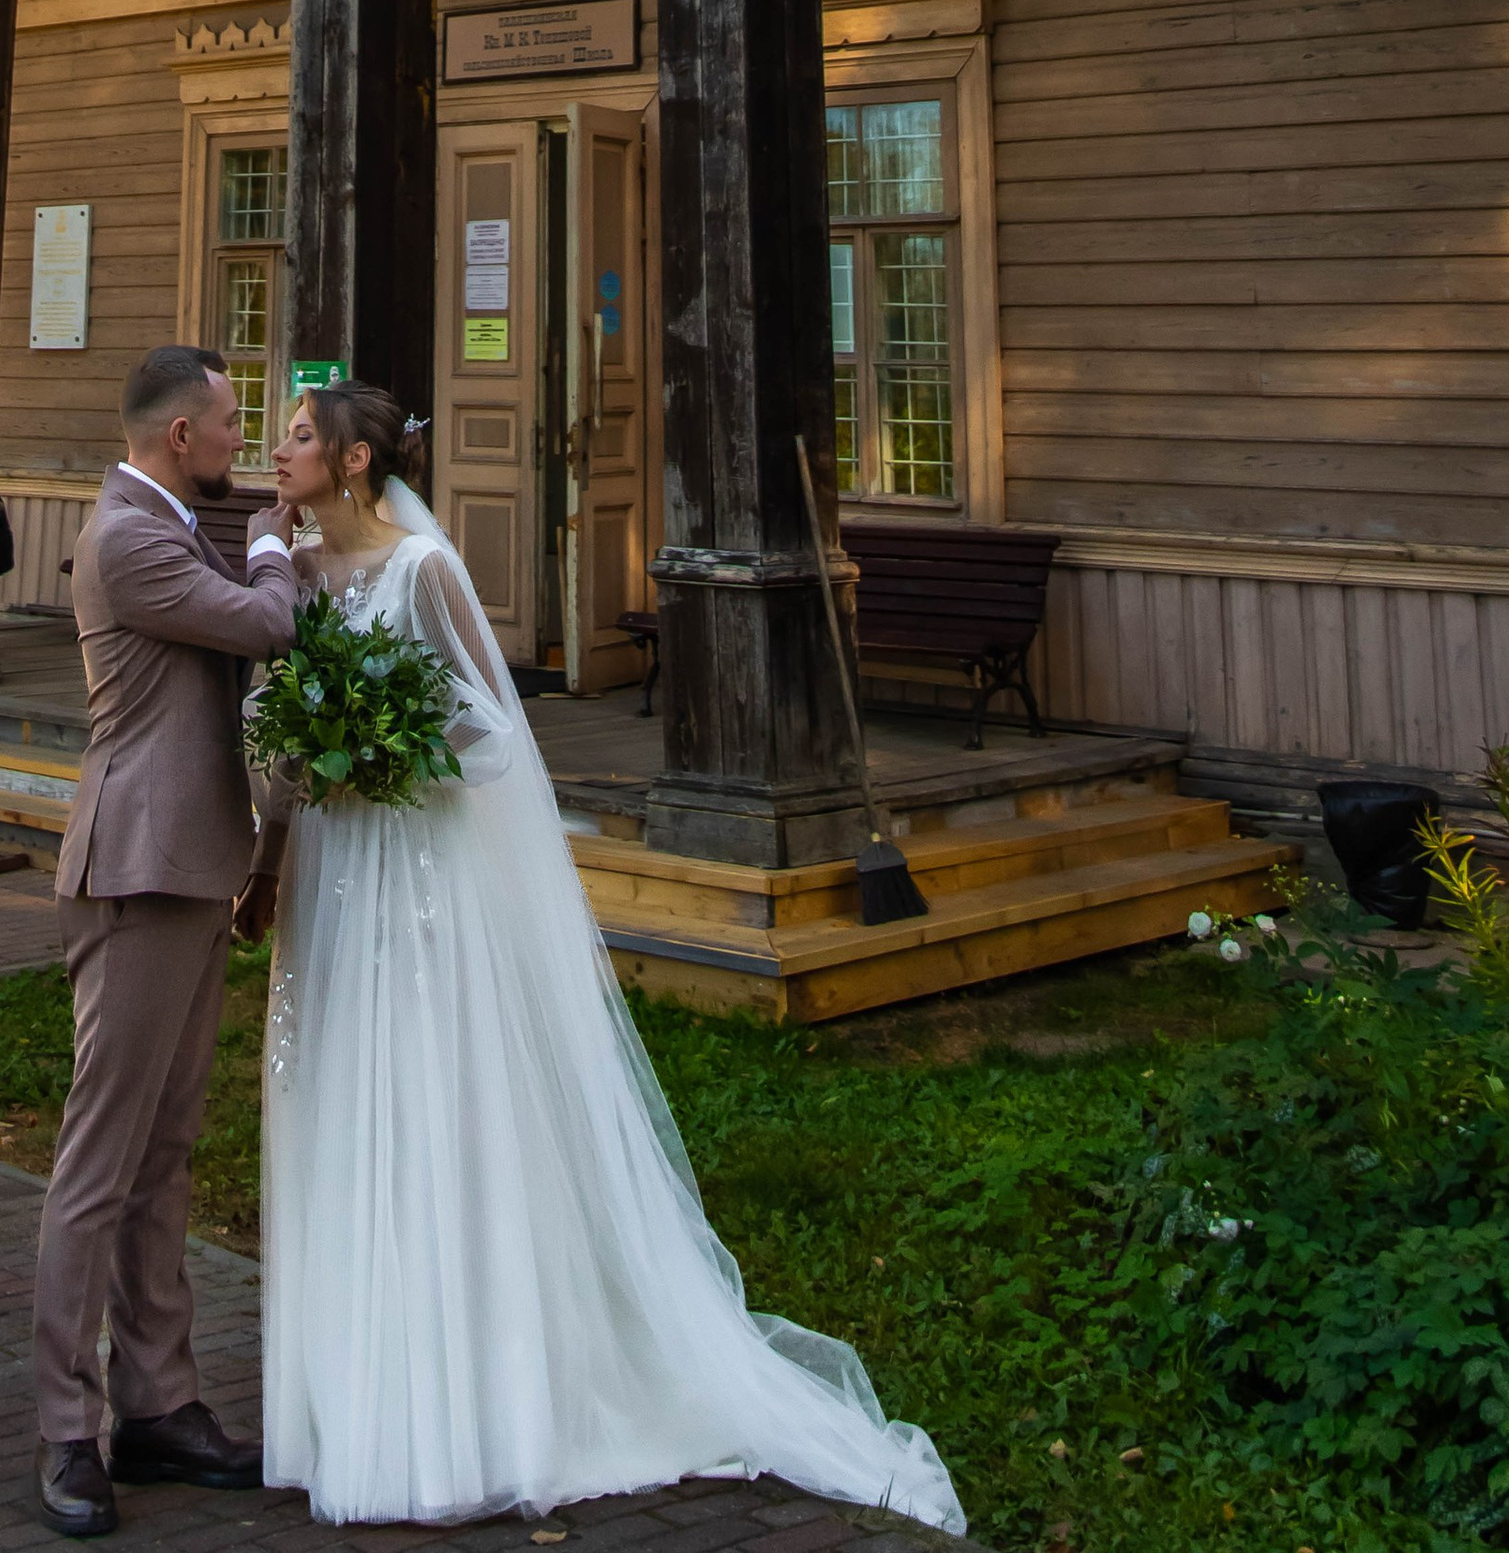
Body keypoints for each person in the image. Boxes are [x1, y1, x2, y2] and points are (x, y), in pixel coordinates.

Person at [241, 378, 967, 1536]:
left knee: (428, 1100)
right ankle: (355, 1389)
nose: (274, 452)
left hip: (414, 873)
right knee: (338, 1095)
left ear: (357, 463)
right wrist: (276, 842)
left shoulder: (423, 573)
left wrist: (375, 753)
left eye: (295, 437)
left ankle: (470, 1399)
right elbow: (268, 716)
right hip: (336, 874)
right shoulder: (292, 574)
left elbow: (490, 727)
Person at [30, 344, 299, 1539]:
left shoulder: (168, 521)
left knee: (166, 1148)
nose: (243, 442)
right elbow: (266, 627)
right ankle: (64, 1433)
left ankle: (160, 1402)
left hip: (193, 865)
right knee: (101, 1160)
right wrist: (285, 531)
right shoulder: (131, 538)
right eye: (233, 424)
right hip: (136, 869)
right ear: (178, 433)